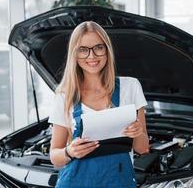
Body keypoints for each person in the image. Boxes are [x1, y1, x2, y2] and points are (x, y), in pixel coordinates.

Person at [48, 21, 149, 187]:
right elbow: (55, 156)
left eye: (98, 47)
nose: (92, 56)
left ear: (107, 50)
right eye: (83, 50)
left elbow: (143, 148)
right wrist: (69, 151)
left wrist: (137, 132)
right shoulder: (64, 96)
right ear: (74, 54)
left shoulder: (130, 87)